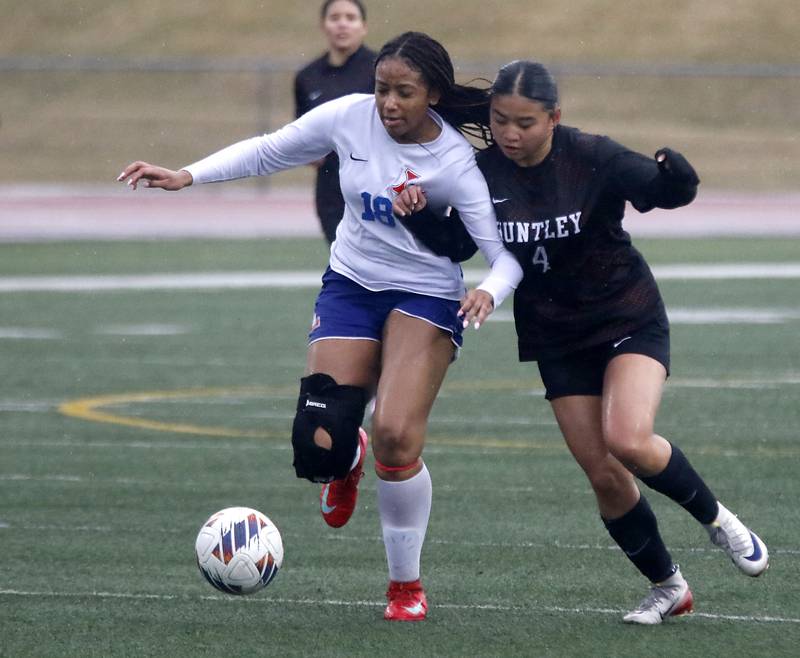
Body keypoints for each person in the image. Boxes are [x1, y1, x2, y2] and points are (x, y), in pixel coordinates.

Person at [117, 32, 523, 622]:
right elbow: (267, 150)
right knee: (317, 451)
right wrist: (187, 175)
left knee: (397, 436)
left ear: (431, 94)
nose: (387, 102)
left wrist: (490, 289)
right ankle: (346, 456)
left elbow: (503, 254)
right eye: (381, 88)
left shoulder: (456, 162)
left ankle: (404, 586)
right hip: (352, 284)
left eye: (403, 93)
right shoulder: (348, 119)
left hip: (426, 294)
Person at [393, 59, 769, 625]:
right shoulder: (483, 171)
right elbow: (461, 244)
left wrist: (679, 178)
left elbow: (663, 191)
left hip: (626, 314)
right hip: (555, 335)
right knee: (604, 474)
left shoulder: (592, 155)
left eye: (525, 122)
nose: (510, 134)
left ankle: (721, 523)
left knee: (629, 440)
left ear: (554, 118)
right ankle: (669, 587)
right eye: (499, 120)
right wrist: (419, 217)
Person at [294, 0, 375, 244]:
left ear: (364, 26)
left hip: (374, 183)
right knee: (342, 261)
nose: (342, 24)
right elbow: (300, 132)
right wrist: (307, 151)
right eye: (335, 17)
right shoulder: (307, 76)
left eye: (350, 18)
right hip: (331, 189)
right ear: (323, 25)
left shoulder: (382, 69)